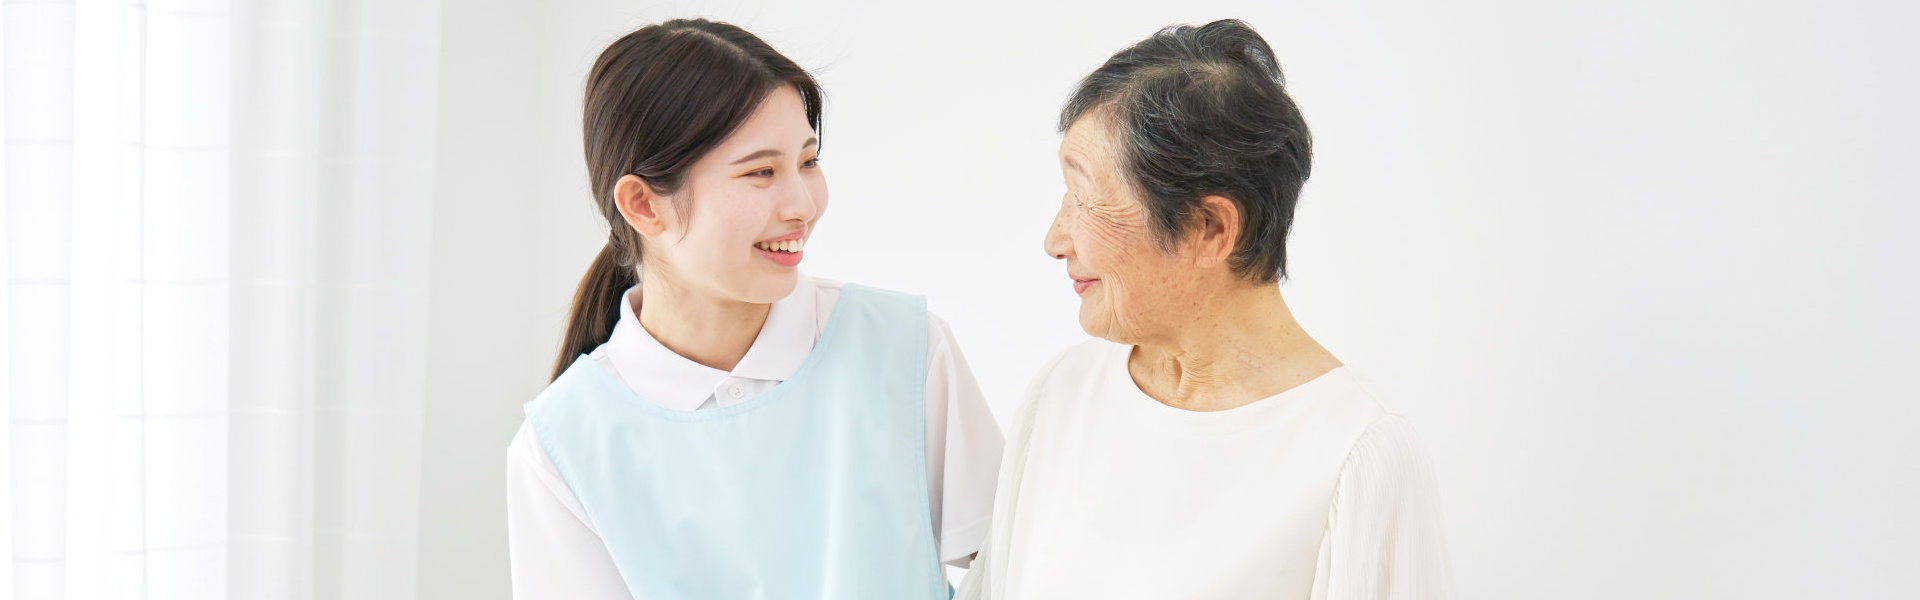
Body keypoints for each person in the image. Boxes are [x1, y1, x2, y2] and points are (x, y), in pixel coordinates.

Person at [504, 19, 1004, 599]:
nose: (803, 204)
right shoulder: (562, 445)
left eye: (809, 162)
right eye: (762, 172)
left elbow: (1018, 567)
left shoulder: (905, 350)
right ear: (643, 204)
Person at [961, 19, 1452, 600]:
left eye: (1086, 200)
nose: (1054, 239)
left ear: (1210, 228)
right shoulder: (1064, 394)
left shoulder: (1357, 458)